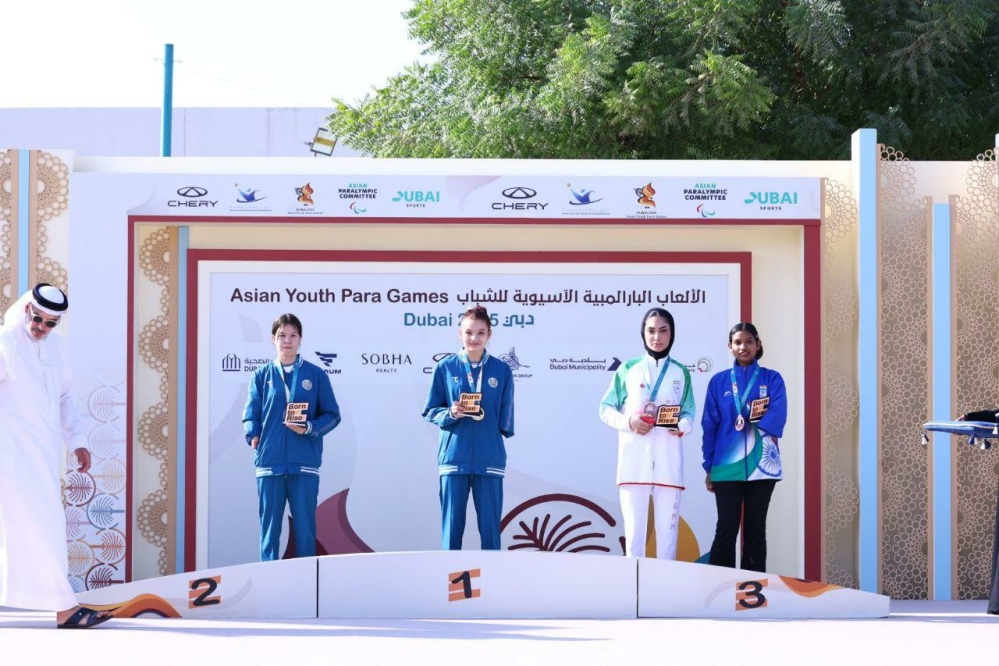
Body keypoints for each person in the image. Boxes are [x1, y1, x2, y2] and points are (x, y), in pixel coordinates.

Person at [0, 283, 112, 628]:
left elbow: (65, 398)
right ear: (26, 310)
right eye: (37, 319)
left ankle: (63, 607)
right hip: (9, 455)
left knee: (40, 528)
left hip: (43, 457)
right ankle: (65, 608)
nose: (41, 328)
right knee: (24, 527)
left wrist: (77, 441)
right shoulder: (6, 342)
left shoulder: (57, 347)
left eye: (50, 323)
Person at [243, 313, 341, 561]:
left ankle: (305, 580)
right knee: (269, 531)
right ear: (273, 339)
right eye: (282, 336)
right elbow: (251, 413)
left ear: (300, 339)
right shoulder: (261, 375)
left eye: (293, 335)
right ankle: (267, 579)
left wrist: (308, 427)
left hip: (304, 463)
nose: (287, 340)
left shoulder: (315, 375)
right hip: (270, 464)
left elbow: (332, 415)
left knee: (305, 532)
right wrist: (253, 435)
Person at [599, 307, 695, 559]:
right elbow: (605, 408)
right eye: (651, 331)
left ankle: (667, 585)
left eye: (663, 331)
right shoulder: (628, 369)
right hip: (634, 463)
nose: (657, 337)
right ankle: (633, 585)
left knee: (668, 540)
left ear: (672, 334)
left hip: (668, 462)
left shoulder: (680, 372)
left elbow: (689, 412)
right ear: (643, 333)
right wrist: (629, 422)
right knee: (634, 539)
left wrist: (681, 426)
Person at [422, 305, 514, 550]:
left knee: (491, 532)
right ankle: (449, 575)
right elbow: (431, 410)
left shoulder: (502, 370)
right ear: (459, 334)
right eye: (469, 332)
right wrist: (450, 413)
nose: (474, 338)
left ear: (489, 335)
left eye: (481, 333)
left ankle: (493, 574)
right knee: (451, 531)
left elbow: (506, 415)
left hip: (489, 457)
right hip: (454, 456)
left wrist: (493, 434)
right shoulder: (445, 367)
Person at [701, 322, 787, 572]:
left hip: (762, 466)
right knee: (726, 527)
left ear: (758, 345)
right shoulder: (718, 382)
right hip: (726, 466)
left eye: (749, 341)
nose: (743, 347)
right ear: (730, 347)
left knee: (755, 529)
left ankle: (754, 586)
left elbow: (779, 412)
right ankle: (718, 584)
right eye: (737, 342)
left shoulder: (772, 378)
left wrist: (752, 416)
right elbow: (710, 425)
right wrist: (709, 466)